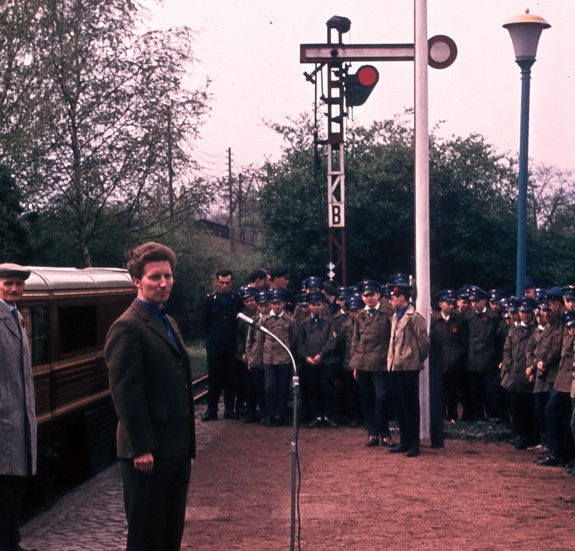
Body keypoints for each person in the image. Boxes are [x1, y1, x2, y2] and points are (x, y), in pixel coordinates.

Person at [105, 242, 196, 551]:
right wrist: (142, 447)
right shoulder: (127, 327)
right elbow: (126, 393)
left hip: (175, 450)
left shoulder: (166, 321)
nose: (164, 283)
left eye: (168, 276)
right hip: (148, 454)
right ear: (137, 282)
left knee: (170, 534)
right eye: (155, 277)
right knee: (146, 536)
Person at [0, 263, 37, 551]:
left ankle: (12, 541)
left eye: (19, 284)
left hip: (19, 417)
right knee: (4, 488)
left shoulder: (16, 317)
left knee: (13, 488)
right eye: (8, 283)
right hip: (4, 420)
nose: (14, 288)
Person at [387, 274, 430, 458]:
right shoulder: (395, 316)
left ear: (402, 298)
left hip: (409, 366)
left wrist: (415, 359)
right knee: (399, 406)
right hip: (395, 366)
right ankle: (404, 441)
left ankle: (414, 443)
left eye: (393, 297)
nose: (391, 300)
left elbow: (424, 343)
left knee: (410, 406)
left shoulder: (414, 317)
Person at [350, 279, 394, 448]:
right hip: (362, 362)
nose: (368, 298)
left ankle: (385, 433)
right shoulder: (360, 315)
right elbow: (356, 340)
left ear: (378, 295)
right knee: (366, 399)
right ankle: (372, 433)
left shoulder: (387, 313)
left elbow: (392, 337)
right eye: (365, 295)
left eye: (371, 295)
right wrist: (354, 364)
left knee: (382, 397)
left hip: (381, 361)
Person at [201, 269, 243, 421]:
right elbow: (205, 323)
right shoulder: (209, 300)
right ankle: (211, 410)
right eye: (222, 283)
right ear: (217, 282)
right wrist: (211, 339)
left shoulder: (237, 299)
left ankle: (229, 409)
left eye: (228, 283)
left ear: (232, 283)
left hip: (231, 345)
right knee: (214, 379)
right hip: (215, 346)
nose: (225, 286)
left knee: (231, 378)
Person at [500, 297, 537, 449]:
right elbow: (507, 349)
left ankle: (529, 436)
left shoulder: (536, 330)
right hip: (515, 375)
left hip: (529, 374)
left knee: (530, 408)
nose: (524, 315)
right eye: (522, 312)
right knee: (516, 407)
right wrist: (509, 366)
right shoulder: (514, 330)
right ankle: (520, 434)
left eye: (527, 312)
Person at [298, 290, 338, 428]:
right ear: (308, 306)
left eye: (318, 304)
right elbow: (300, 342)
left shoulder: (330, 321)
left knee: (328, 389)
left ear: (323, 305)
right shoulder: (304, 323)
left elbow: (332, 340)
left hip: (327, 362)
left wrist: (321, 354)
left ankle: (329, 416)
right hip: (310, 363)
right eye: (313, 305)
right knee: (313, 389)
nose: (316, 307)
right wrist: (306, 356)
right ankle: (317, 417)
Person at [260, 289, 298, 426]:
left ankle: (280, 415)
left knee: (283, 387)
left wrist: (285, 350)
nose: (276, 306)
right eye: (274, 303)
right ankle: (270, 415)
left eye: (279, 303)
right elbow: (260, 339)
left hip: (283, 358)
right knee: (270, 387)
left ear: (284, 304)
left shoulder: (290, 320)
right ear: (270, 304)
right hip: (268, 358)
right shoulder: (264, 320)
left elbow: (293, 338)